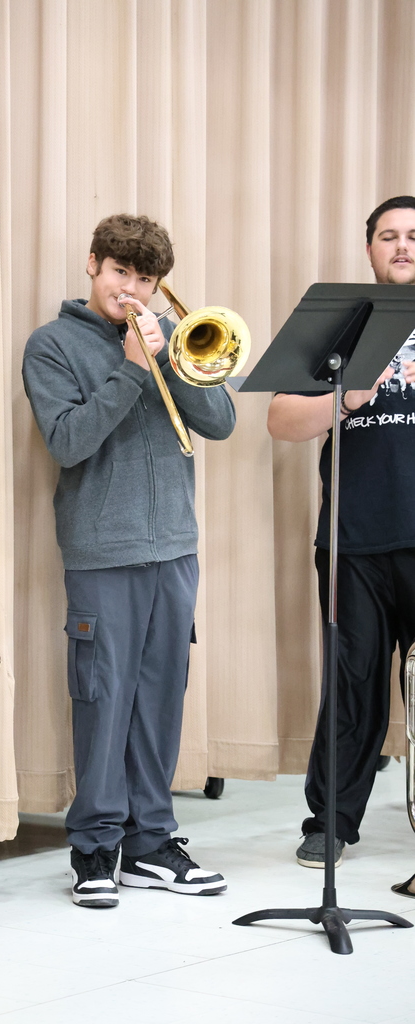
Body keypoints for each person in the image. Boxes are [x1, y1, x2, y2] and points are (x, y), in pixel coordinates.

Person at [22, 214, 235, 908]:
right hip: (101, 551)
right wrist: (130, 370)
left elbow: (220, 424)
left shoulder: (169, 336)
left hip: (174, 547)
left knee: (160, 701)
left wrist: (172, 359)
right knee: (102, 701)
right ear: (92, 265)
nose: (131, 289)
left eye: (144, 278)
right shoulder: (51, 346)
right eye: (119, 273)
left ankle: (150, 842)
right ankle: (93, 849)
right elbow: (67, 441)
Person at [268, 195, 415, 871]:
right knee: (351, 685)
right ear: (369, 250)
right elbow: (279, 421)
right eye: (387, 236)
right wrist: (344, 398)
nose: (401, 246)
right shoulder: (337, 325)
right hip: (353, 537)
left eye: (413, 235)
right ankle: (330, 821)